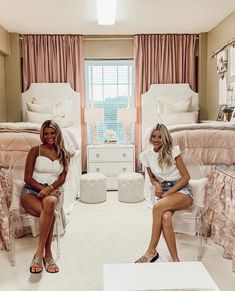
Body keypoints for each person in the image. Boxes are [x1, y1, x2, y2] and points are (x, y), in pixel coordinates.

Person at [135, 123, 193, 263]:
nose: (156, 140)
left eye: (160, 137)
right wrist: (156, 185)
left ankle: (151, 251)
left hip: (182, 190)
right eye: (154, 136)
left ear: (165, 138)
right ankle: (176, 260)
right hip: (165, 192)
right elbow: (152, 178)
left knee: (157, 207)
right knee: (166, 218)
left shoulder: (173, 151)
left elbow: (186, 177)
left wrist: (168, 193)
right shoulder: (146, 156)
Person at [20, 120, 70, 274]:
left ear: (58, 133)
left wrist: (50, 188)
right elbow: (27, 178)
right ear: (42, 135)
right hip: (31, 191)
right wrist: (43, 189)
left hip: (51, 192)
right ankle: (47, 254)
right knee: (50, 215)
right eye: (46, 133)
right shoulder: (35, 150)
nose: (49, 136)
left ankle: (39, 253)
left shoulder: (64, 153)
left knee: (49, 206)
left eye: (52, 133)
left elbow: (62, 178)